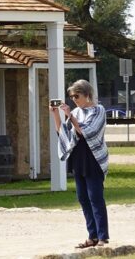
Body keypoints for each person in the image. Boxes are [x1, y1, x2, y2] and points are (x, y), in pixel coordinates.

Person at [50, 79, 109, 248]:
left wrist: (70, 116)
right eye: (72, 97)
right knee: (83, 198)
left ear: (87, 95)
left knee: (95, 198)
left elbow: (87, 132)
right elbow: (64, 134)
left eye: (77, 96)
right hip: (78, 159)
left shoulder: (99, 110)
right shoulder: (76, 112)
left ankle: (103, 236)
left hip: (93, 159)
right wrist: (56, 114)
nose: (74, 99)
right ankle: (92, 236)